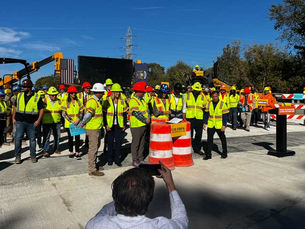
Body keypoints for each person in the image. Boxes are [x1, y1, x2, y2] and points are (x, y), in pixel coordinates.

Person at [86, 162, 188, 229]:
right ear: (149, 198)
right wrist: (170, 185)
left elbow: (104, 211)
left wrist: (123, 196)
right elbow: (181, 220)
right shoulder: (160, 226)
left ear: (115, 195)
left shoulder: (96, 225)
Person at [13, 79, 44, 164]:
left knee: (32, 140)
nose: (23, 88)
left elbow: (41, 109)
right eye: (22, 86)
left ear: (30, 87)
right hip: (20, 121)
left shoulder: (37, 97)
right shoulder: (19, 95)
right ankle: (17, 157)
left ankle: (33, 156)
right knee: (18, 138)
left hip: (32, 122)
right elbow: (15, 107)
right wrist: (13, 118)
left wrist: (38, 120)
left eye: (24, 86)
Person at [79, 83, 105, 176]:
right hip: (92, 129)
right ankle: (92, 169)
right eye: (101, 92)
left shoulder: (96, 101)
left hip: (97, 127)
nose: (102, 94)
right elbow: (88, 114)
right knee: (93, 148)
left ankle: (94, 165)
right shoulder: (93, 101)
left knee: (96, 147)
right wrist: (82, 123)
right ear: (97, 92)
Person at [103, 83, 128, 166]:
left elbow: (124, 114)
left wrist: (124, 124)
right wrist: (106, 124)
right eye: (116, 92)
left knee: (118, 143)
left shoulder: (122, 101)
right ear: (113, 92)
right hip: (110, 125)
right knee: (110, 143)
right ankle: (110, 159)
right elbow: (104, 114)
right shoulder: (107, 101)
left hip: (119, 125)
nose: (118, 93)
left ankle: (117, 159)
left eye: (119, 92)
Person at [203, 90, 229, 160]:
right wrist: (205, 123)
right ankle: (208, 154)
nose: (215, 98)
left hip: (219, 125)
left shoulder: (222, 104)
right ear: (211, 97)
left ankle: (224, 153)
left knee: (223, 139)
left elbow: (225, 116)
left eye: (216, 96)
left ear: (218, 96)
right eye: (213, 96)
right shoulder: (209, 103)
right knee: (209, 140)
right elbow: (206, 114)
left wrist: (224, 125)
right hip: (211, 124)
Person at [129, 82, 150, 167]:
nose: (144, 93)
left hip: (143, 125)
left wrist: (147, 117)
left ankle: (140, 158)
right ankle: (135, 160)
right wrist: (145, 120)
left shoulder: (142, 100)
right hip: (136, 125)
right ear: (139, 91)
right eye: (143, 92)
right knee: (136, 143)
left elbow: (147, 110)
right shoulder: (133, 100)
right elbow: (136, 113)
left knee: (142, 143)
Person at [62, 86, 85, 159]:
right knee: (70, 138)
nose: (73, 94)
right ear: (69, 94)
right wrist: (71, 121)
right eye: (72, 93)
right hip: (70, 123)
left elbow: (82, 111)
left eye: (74, 93)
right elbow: (64, 113)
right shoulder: (66, 102)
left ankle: (77, 152)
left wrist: (78, 119)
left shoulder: (78, 102)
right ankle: (71, 152)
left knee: (77, 138)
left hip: (78, 122)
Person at [185, 82, 207, 155]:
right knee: (189, 134)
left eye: (198, 90)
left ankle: (197, 149)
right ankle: (187, 148)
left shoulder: (203, 97)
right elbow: (183, 108)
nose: (197, 91)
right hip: (189, 117)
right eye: (195, 89)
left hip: (199, 118)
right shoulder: (187, 96)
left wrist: (204, 121)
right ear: (193, 89)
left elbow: (205, 109)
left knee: (199, 134)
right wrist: (183, 118)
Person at [41, 86, 62, 157]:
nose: (54, 96)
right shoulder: (44, 100)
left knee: (57, 136)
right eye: (52, 95)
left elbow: (63, 110)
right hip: (46, 122)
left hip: (56, 121)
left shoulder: (59, 101)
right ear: (49, 94)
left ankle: (56, 148)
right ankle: (46, 150)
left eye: (55, 95)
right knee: (46, 136)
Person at [77, 82, 92, 148]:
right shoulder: (78, 95)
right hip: (80, 114)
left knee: (87, 129)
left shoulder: (91, 96)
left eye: (89, 88)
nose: (88, 89)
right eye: (87, 88)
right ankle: (78, 143)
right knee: (79, 129)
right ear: (83, 88)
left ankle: (87, 142)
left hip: (87, 114)